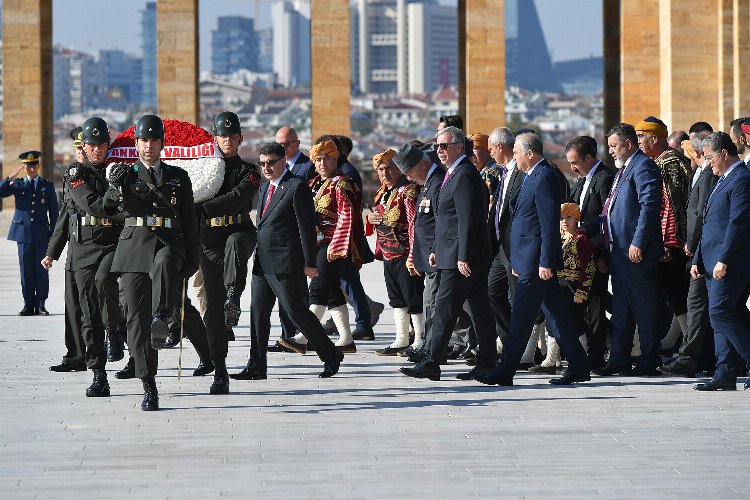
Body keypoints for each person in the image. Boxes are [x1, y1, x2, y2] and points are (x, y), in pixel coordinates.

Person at [477, 133, 590, 386]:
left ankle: (506, 370)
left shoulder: (544, 177)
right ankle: (580, 365)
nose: (513, 155)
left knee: (520, 318)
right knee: (557, 316)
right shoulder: (532, 176)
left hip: (537, 263)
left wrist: (546, 262)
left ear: (530, 153)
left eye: (516, 151)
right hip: (528, 260)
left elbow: (549, 224)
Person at [105, 114, 200, 411]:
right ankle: (149, 385)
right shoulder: (126, 174)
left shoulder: (177, 176)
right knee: (135, 321)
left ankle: (162, 315)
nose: (148, 146)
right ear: (136, 144)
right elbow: (107, 208)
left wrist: (193, 257)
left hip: (168, 244)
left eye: (154, 140)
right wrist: (113, 185)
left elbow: (190, 222)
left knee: (166, 261)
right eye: (143, 141)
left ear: (162, 144)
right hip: (134, 248)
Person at [230, 142, 343, 381]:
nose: (266, 167)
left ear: (283, 161)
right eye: (262, 163)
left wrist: (310, 262)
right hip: (262, 262)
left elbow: (306, 228)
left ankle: (330, 354)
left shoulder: (296, 186)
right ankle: (257, 365)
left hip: (286, 263)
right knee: (258, 314)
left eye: (271, 162)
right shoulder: (264, 188)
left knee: (296, 312)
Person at [400, 126, 495, 381]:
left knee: (443, 308)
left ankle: (432, 361)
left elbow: (467, 220)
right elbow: (445, 219)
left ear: (459, 147)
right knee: (480, 309)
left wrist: (462, 255)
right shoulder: (454, 173)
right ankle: (487, 361)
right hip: (452, 252)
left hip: (460, 258)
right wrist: (435, 250)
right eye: (437, 147)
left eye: (444, 146)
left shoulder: (463, 174)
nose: (439, 152)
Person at [46, 117, 126, 397]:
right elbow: (91, 205)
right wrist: (117, 196)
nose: (96, 150)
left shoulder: (119, 170)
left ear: (107, 145)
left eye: (101, 144)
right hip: (84, 249)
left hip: (113, 244)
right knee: (88, 314)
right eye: (91, 145)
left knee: (106, 280)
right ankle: (98, 374)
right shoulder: (75, 174)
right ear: (85, 146)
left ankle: (115, 330)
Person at [584, 123, 663, 376]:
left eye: (614, 146)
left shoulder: (644, 166)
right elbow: (610, 213)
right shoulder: (622, 171)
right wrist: (584, 228)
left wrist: (638, 242)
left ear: (628, 144)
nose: (611, 152)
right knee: (621, 311)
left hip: (634, 253)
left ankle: (650, 359)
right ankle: (619, 359)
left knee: (643, 308)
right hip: (617, 253)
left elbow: (649, 207)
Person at [197, 111, 261, 395]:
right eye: (222, 135)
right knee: (212, 309)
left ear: (240, 138)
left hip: (239, 231)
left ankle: (234, 294)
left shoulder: (249, 171)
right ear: (215, 138)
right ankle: (219, 368)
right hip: (209, 242)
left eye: (232, 136)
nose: (227, 140)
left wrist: (204, 209)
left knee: (235, 242)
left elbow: (238, 198)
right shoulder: (203, 169)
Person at [281, 140, 358, 353]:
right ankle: (346, 339)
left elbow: (346, 216)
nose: (323, 163)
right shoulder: (314, 183)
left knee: (317, 289)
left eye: (328, 158)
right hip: (316, 245)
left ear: (336, 160)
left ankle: (302, 338)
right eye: (318, 159)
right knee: (332, 292)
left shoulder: (341, 183)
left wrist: (338, 245)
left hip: (332, 245)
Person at [691, 132, 750, 391]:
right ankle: (724, 372)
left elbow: (737, 224)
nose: (708, 163)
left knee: (720, 311)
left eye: (710, 157)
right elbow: (709, 223)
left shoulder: (742, 179)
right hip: (711, 260)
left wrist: (724, 259)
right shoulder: (723, 178)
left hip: (730, 262)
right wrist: (697, 258)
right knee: (721, 315)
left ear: (724, 153)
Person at [662, 126, 717, 377]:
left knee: (702, 306)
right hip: (696, 250)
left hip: (699, 250)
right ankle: (695, 356)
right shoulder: (698, 173)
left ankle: (695, 357)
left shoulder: (706, 176)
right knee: (697, 305)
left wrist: (690, 243)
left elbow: (697, 215)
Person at [635, 116, 692, 349]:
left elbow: (673, 205)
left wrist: (667, 242)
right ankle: (675, 342)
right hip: (668, 241)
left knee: (677, 292)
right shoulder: (658, 161)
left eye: (641, 137)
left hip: (673, 243)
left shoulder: (668, 162)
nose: (637, 141)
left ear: (654, 138)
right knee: (672, 293)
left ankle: (692, 347)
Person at [365, 149, 423, 356]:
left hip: (406, 253)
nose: (385, 172)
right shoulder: (382, 193)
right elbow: (378, 220)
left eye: (389, 167)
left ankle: (419, 339)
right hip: (388, 253)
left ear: (399, 168)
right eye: (381, 169)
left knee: (413, 296)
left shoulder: (408, 191)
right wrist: (370, 220)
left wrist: (413, 255)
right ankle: (401, 338)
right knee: (396, 298)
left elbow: (414, 224)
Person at [393, 143, 445, 359]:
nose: (408, 178)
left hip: (439, 254)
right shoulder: (427, 182)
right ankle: (431, 348)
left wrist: (434, 249)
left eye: (409, 172)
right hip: (428, 255)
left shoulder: (438, 181)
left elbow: (442, 222)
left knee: (432, 301)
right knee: (433, 301)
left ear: (423, 164)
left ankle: (431, 350)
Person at [566, 136, 614, 371]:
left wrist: (603, 254)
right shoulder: (582, 180)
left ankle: (596, 355)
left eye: (575, 162)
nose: (572, 167)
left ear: (588, 157)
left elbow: (607, 219)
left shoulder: (604, 178)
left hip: (595, 253)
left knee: (595, 305)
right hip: (578, 254)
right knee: (576, 305)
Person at [531, 202, 596, 373]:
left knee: (575, 323)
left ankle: (582, 358)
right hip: (556, 287)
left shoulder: (581, 240)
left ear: (576, 219)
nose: (565, 221)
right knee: (553, 323)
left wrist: (582, 291)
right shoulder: (557, 239)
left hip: (573, 289)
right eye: (561, 218)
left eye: (569, 217)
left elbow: (588, 268)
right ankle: (551, 361)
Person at [45, 128, 87, 372]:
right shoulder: (72, 175)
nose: (81, 151)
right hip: (75, 247)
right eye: (78, 148)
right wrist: (52, 252)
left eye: (85, 147)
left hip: (99, 247)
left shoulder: (104, 172)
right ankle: (75, 355)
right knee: (72, 305)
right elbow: (65, 215)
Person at [0, 151, 58, 316]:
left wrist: (53, 236)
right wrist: (11, 176)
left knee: (41, 270)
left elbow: (54, 213)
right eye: (28, 166)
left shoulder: (47, 185)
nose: (31, 168)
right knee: (25, 271)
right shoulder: (17, 184)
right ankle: (28, 304)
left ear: (38, 166)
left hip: (41, 234)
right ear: (24, 167)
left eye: (34, 165)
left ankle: (40, 304)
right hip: (23, 234)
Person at [486, 127, 524, 346]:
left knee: (518, 298)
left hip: (513, 248)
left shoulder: (520, 172)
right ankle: (510, 341)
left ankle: (522, 347)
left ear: (500, 147)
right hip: (500, 247)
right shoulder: (503, 172)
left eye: (491, 148)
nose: (490, 153)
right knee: (492, 292)